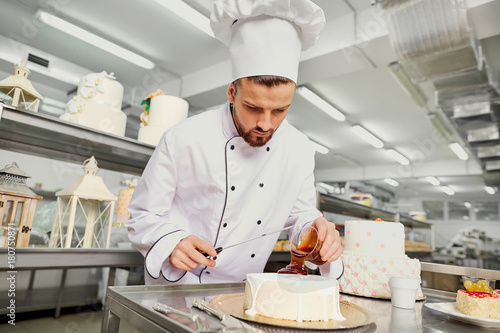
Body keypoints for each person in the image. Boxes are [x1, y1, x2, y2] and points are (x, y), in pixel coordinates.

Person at [126, 0, 344, 285]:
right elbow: (143, 214)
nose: (266, 124)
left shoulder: (299, 149)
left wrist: (316, 232)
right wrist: (171, 241)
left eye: (279, 110)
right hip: (176, 289)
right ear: (231, 92)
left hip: (238, 291)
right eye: (253, 107)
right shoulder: (184, 138)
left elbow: (299, 215)